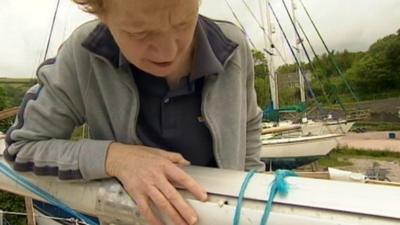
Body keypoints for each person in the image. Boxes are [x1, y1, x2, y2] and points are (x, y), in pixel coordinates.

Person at [4, 0, 265, 224]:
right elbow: (23, 147)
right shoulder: (82, 54)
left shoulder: (234, 47)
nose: (169, 52)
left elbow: (249, 125)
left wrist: (256, 200)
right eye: (140, 33)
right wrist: (114, 157)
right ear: (100, 12)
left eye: (183, 24)